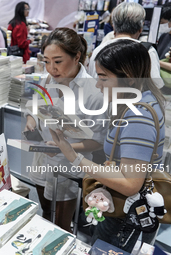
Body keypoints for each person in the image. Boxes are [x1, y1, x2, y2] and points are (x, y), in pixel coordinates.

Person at [49, 40, 165, 253]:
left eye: (103, 78)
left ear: (128, 79)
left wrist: (73, 156)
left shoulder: (138, 116)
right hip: (122, 210)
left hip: (124, 216)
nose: (97, 84)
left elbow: (130, 184)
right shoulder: (140, 102)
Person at [24, 28, 108, 232]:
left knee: (61, 224)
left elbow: (97, 141)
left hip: (69, 165)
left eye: (58, 61)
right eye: (47, 61)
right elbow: (34, 107)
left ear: (77, 56)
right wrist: (31, 123)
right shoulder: (47, 80)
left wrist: (64, 148)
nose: (52, 68)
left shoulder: (93, 92)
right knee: (45, 211)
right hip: (43, 157)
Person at [88, 2, 164, 89]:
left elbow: (93, 84)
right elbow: (156, 86)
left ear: (114, 27)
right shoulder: (147, 51)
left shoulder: (99, 50)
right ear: (140, 29)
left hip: (104, 101)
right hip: (135, 100)